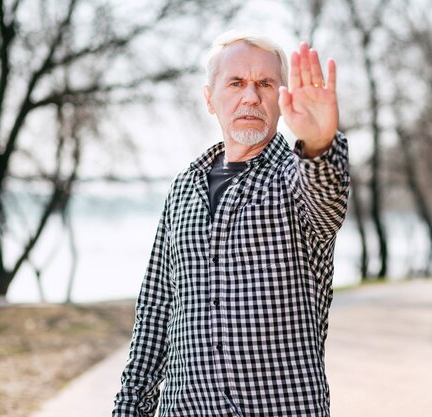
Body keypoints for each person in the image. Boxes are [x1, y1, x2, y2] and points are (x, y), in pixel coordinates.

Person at [112, 30, 349, 417]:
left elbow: (327, 200)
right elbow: (156, 312)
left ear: (282, 97)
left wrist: (320, 146)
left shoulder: (297, 179)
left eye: (265, 84)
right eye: (236, 82)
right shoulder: (184, 189)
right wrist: (129, 408)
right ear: (210, 98)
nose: (251, 97)